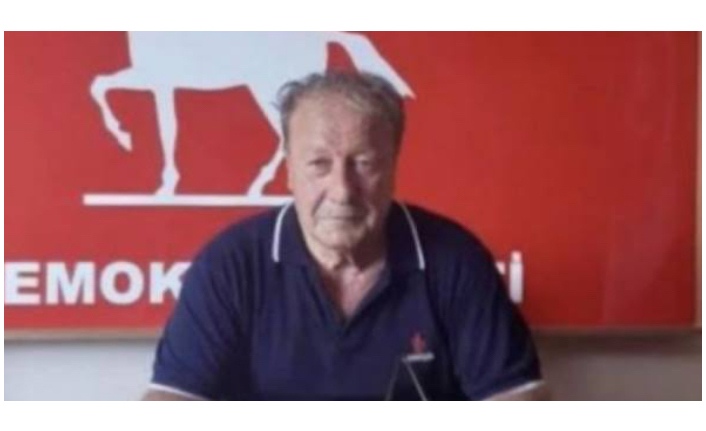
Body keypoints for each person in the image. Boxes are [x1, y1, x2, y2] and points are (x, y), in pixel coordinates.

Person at [143, 71, 548, 400]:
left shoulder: (456, 260)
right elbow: (172, 402)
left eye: (364, 163)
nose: (342, 190)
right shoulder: (230, 265)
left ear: (393, 166)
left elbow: (517, 401)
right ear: (288, 170)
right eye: (319, 164)